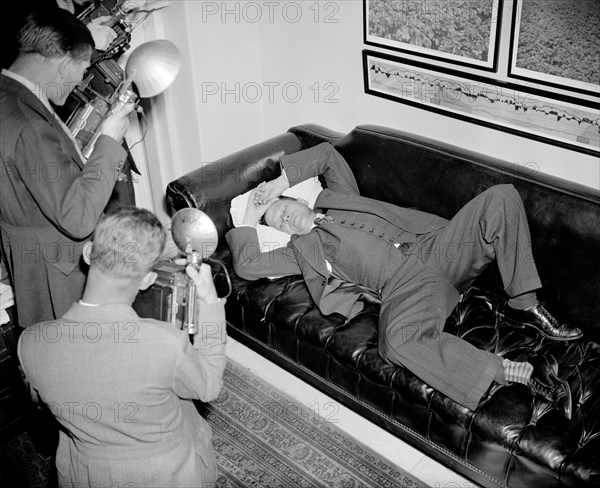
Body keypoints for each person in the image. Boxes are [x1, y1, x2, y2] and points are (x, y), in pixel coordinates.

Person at [226, 142, 581, 419]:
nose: (286, 218)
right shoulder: (304, 252)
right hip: (405, 286)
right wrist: (253, 216)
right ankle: (518, 372)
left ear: (300, 201)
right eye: (278, 223)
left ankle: (528, 305)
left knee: (501, 196)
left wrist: (275, 185)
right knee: (395, 342)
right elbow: (248, 264)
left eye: (285, 208)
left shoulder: (343, 200)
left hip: (440, 247)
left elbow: (327, 155)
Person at [17, 207, 227, 487]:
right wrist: (210, 305)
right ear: (148, 279)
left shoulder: (30, 342)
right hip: (168, 473)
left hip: (87, 472)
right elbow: (209, 385)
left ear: (89, 253)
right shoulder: (165, 343)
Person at [0, 8, 135, 329]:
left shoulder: (9, 96)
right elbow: (77, 219)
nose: (80, 81)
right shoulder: (29, 124)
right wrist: (109, 141)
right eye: (83, 68)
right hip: (58, 269)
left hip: (27, 260)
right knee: (79, 358)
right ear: (63, 64)